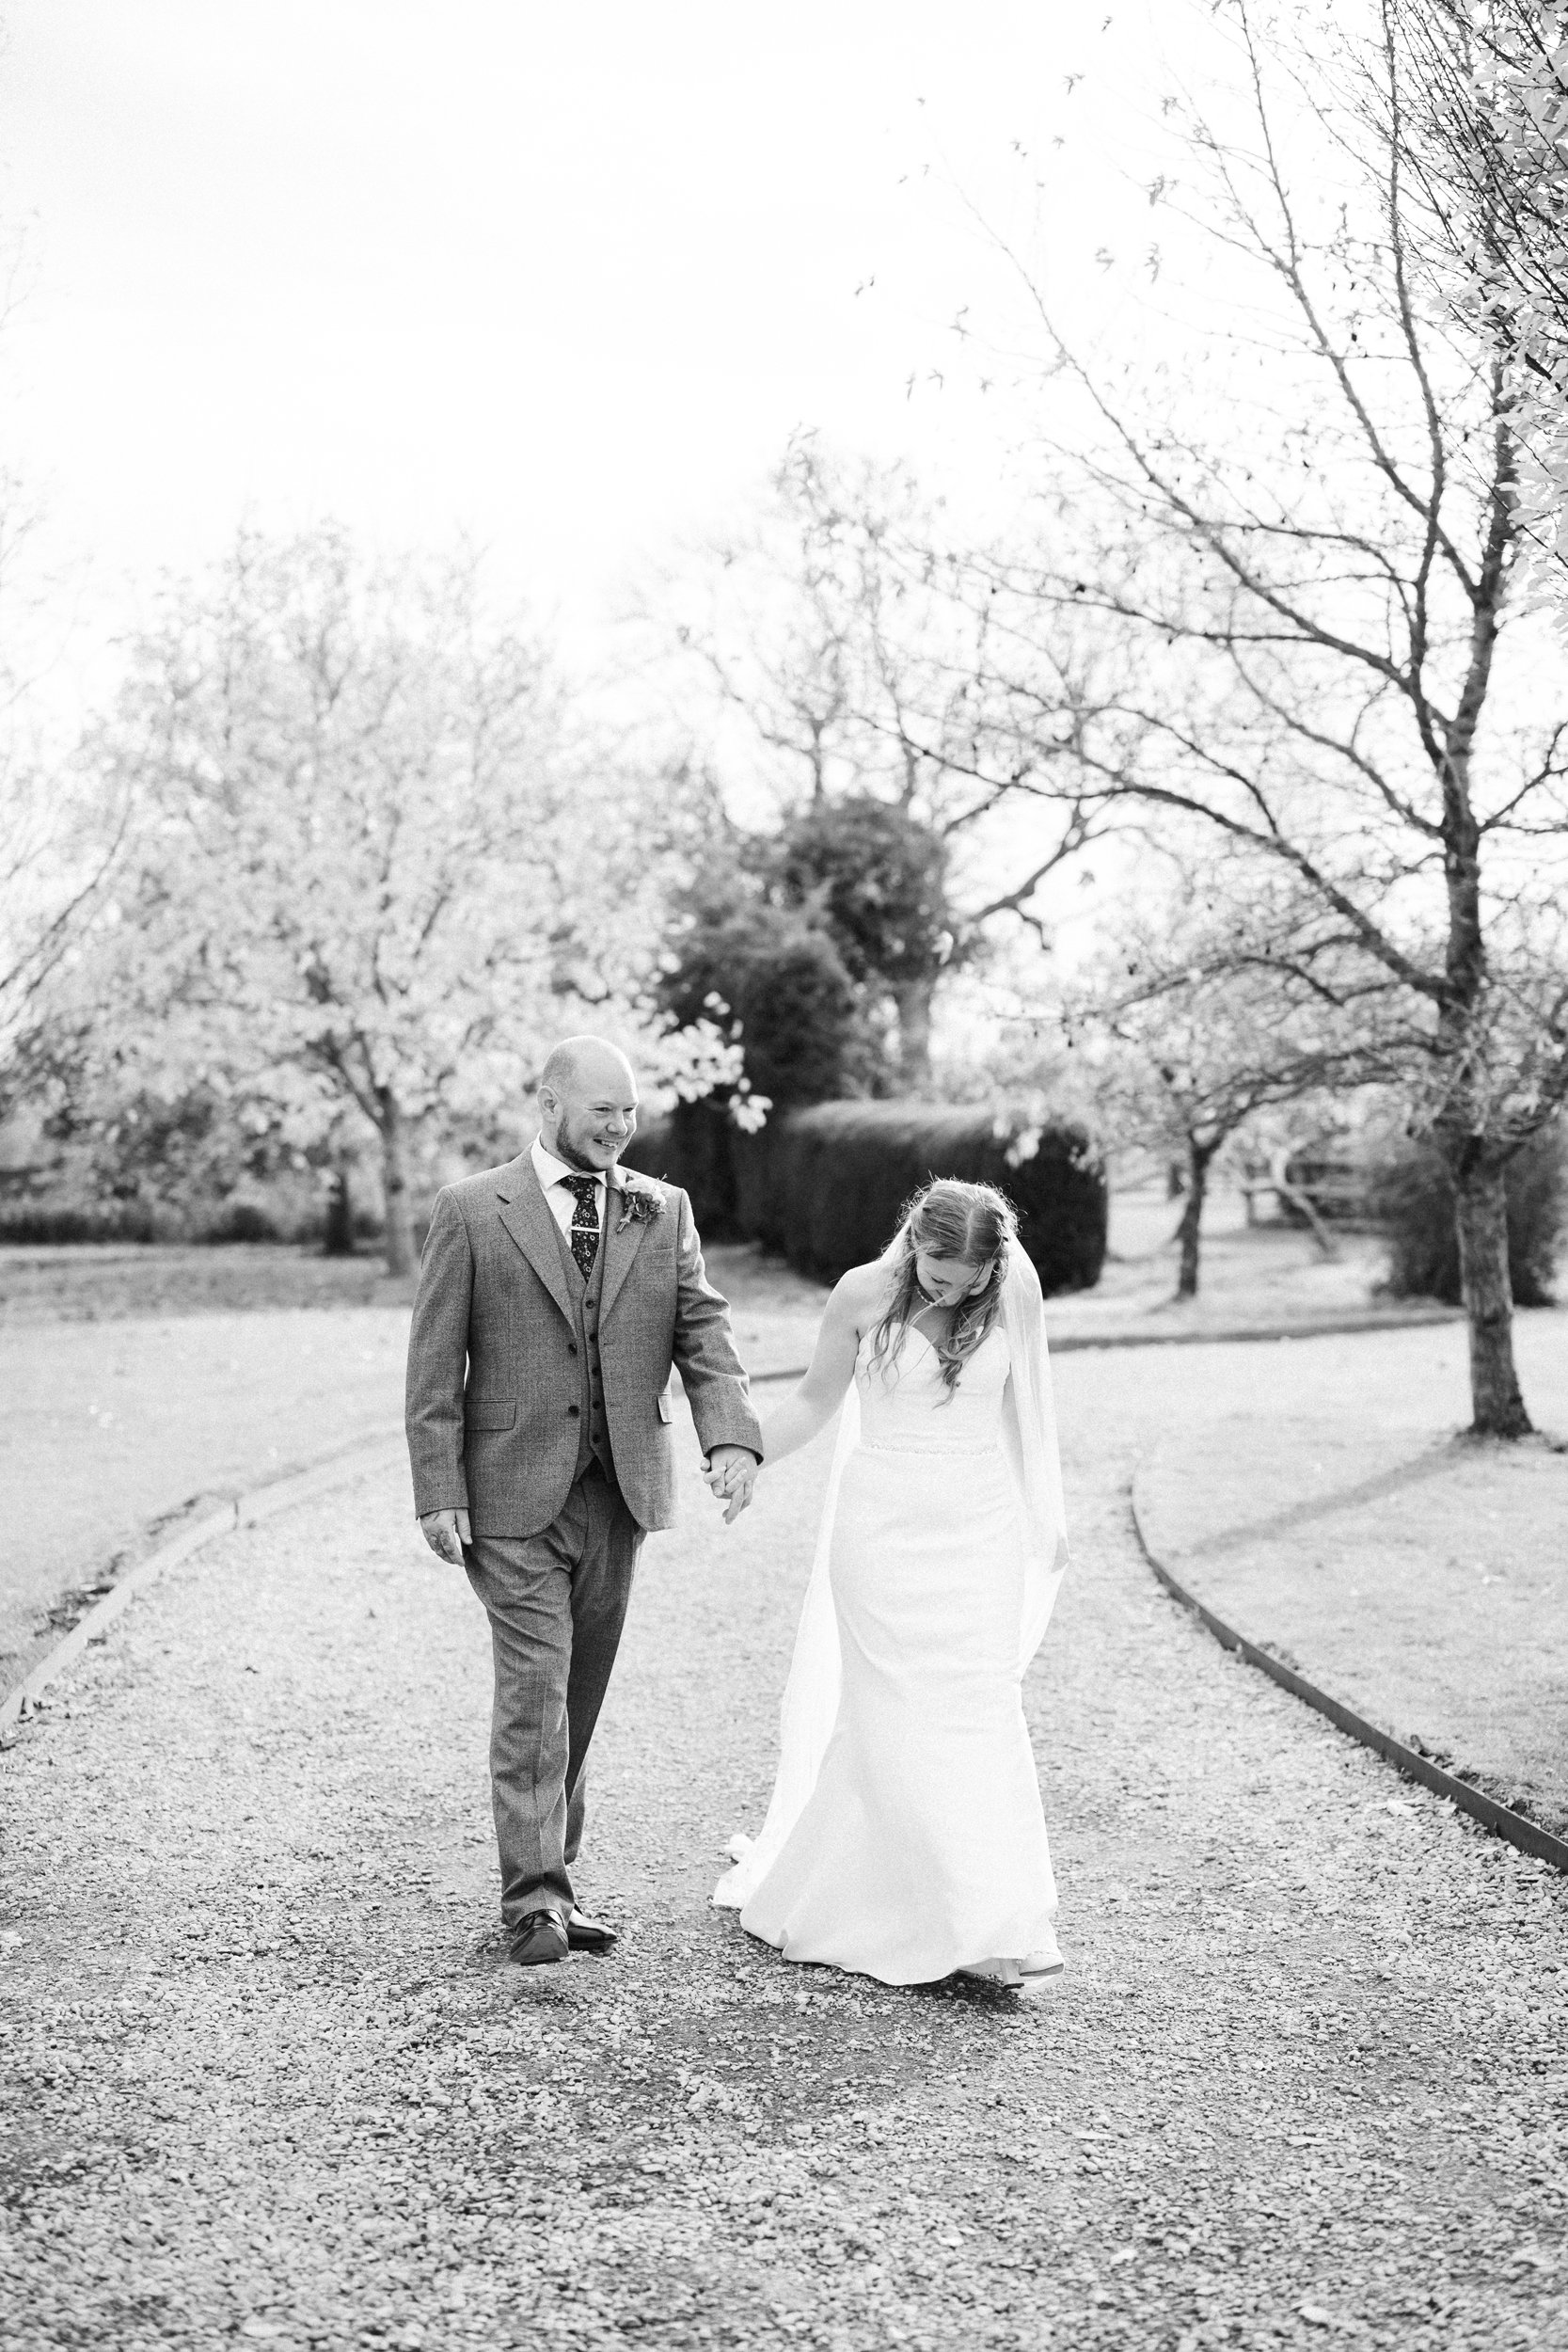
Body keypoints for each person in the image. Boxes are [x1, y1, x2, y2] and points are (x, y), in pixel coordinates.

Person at [406, 1036, 762, 1966]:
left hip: (618, 1491)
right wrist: (437, 1489)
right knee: (533, 1688)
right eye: (600, 1108)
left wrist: (727, 1431)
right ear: (550, 1103)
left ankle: (551, 1874)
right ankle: (533, 1903)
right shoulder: (471, 1210)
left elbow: (703, 1331)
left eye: (628, 1111)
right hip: (510, 1493)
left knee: (578, 1692)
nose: (616, 1125)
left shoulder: (662, 1209)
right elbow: (434, 1368)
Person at [712, 1178, 1068, 1994]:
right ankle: (932, 1912)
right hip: (880, 1533)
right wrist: (744, 1452)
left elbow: (1031, 1413)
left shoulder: (1012, 1290)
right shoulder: (861, 1295)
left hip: (979, 1528)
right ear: (912, 1240)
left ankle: (994, 1917)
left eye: (964, 1280)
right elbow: (811, 1403)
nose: (949, 1290)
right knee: (891, 1712)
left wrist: (1045, 1518)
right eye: (936, 1274)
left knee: (979, 1705)